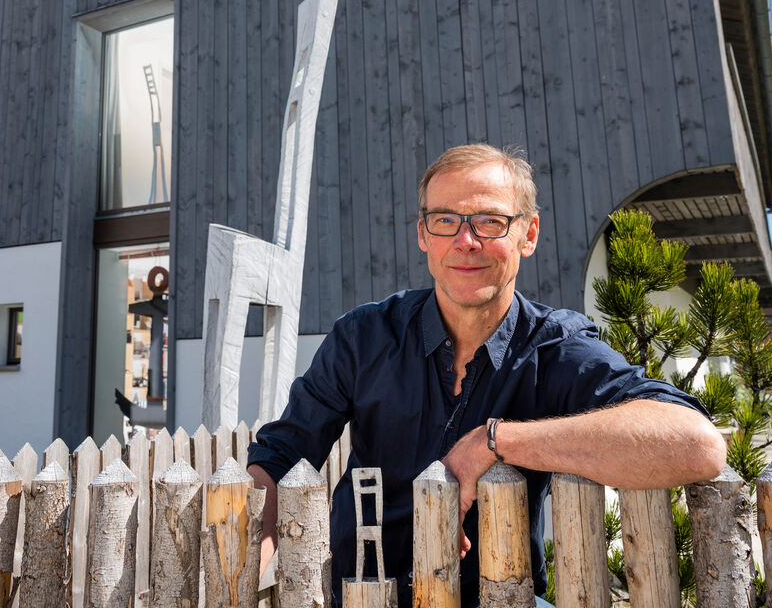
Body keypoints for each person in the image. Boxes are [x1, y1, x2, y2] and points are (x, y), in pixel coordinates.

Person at [246, 144, 726, 607]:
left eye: (490, 221)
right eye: (445, 220)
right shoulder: (362, 337)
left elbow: (696, 444)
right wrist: (245, 578)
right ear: (423, 234)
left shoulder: (556, 347)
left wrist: (493, 442)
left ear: (529, 234)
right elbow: (283, 453)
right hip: (359, 597)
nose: (465, 240)